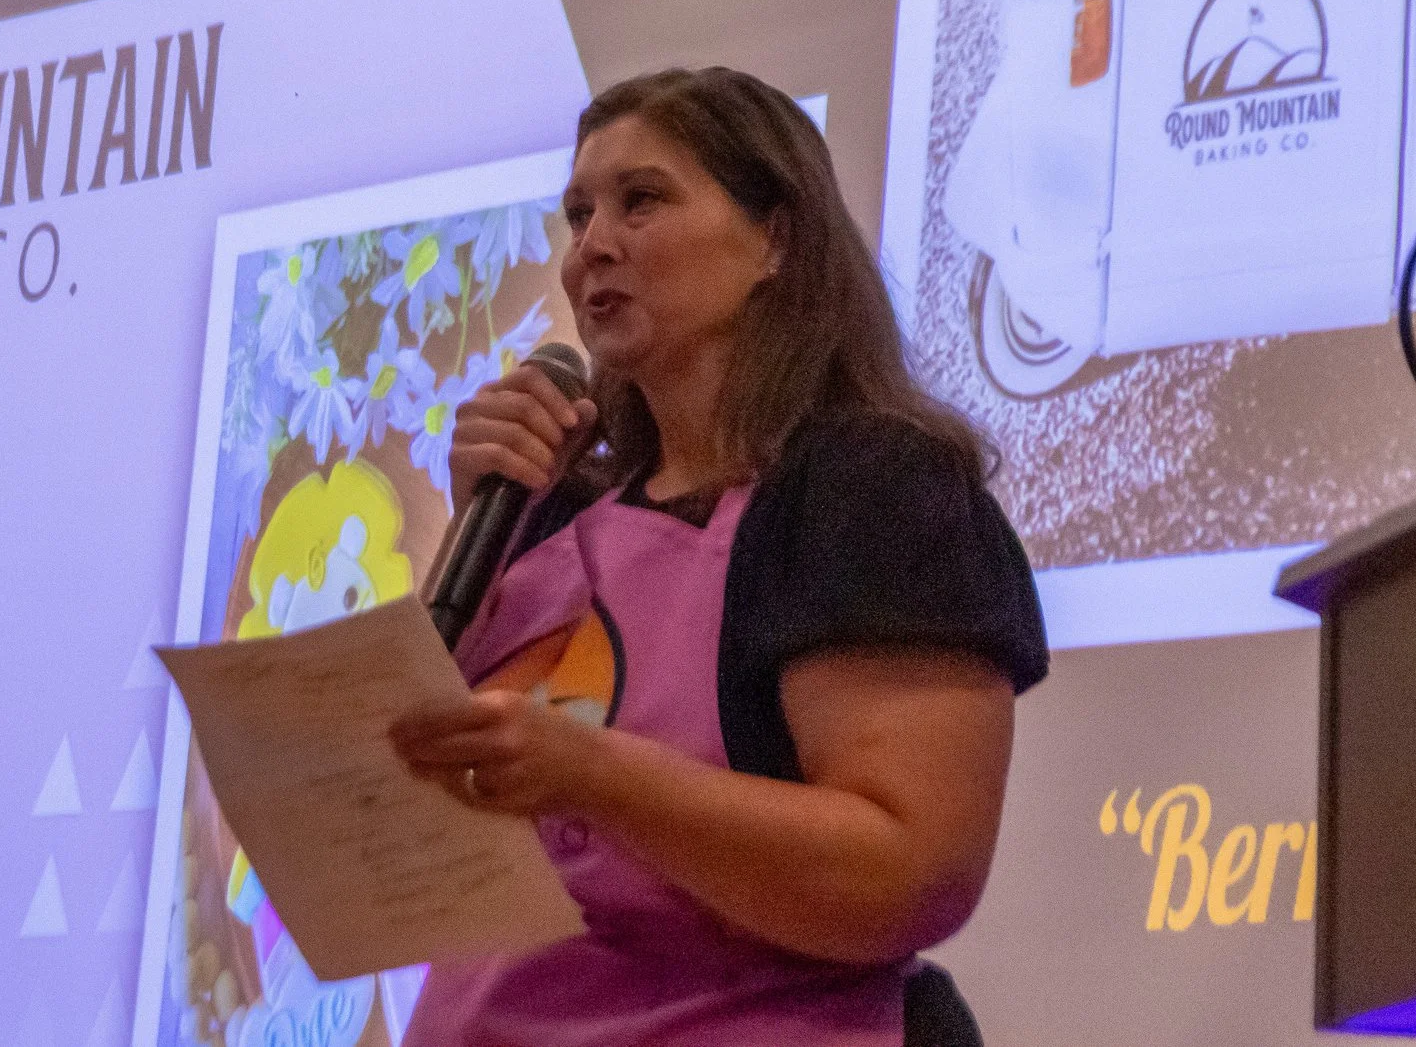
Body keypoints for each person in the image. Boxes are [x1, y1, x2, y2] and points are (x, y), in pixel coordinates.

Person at [390, 67, 1047, 1046]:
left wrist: (593, 772)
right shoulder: (540, 512)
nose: (589, 248)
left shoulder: (863, 488)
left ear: (774, 237)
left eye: (640, 200)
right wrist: (469, 521)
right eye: (577, 215)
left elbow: (908, 871)